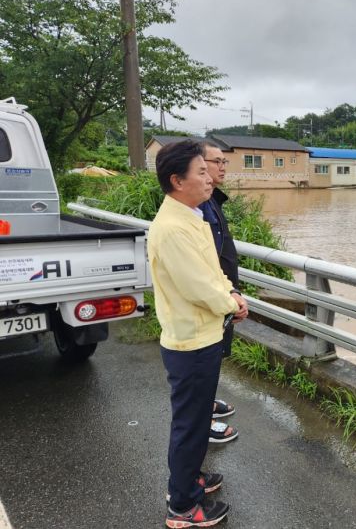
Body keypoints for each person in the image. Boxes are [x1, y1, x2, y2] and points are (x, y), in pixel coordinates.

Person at [149, 140, 248, 528]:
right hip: (191, 342)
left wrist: (232, 293)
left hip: (203, 335)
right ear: (177, 180)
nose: (210, 178)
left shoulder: (191, 215)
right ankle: (183, 506)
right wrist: (231, 304)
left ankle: (189, 481)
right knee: (190, 425)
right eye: (202, 172)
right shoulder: (173, 228)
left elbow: (213, 271)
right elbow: (197, 286)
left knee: (195, 419)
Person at [199, 143, 241, 444]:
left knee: (215, 357)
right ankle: (204, 422)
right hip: (213, 300)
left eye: (224, 161)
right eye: (216, 161)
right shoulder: (199, 205)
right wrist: (229, 299)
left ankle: (207, 405)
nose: (222, 166)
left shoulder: (211, 199)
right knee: (206, 361)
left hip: (222, 294)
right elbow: (204, 263)